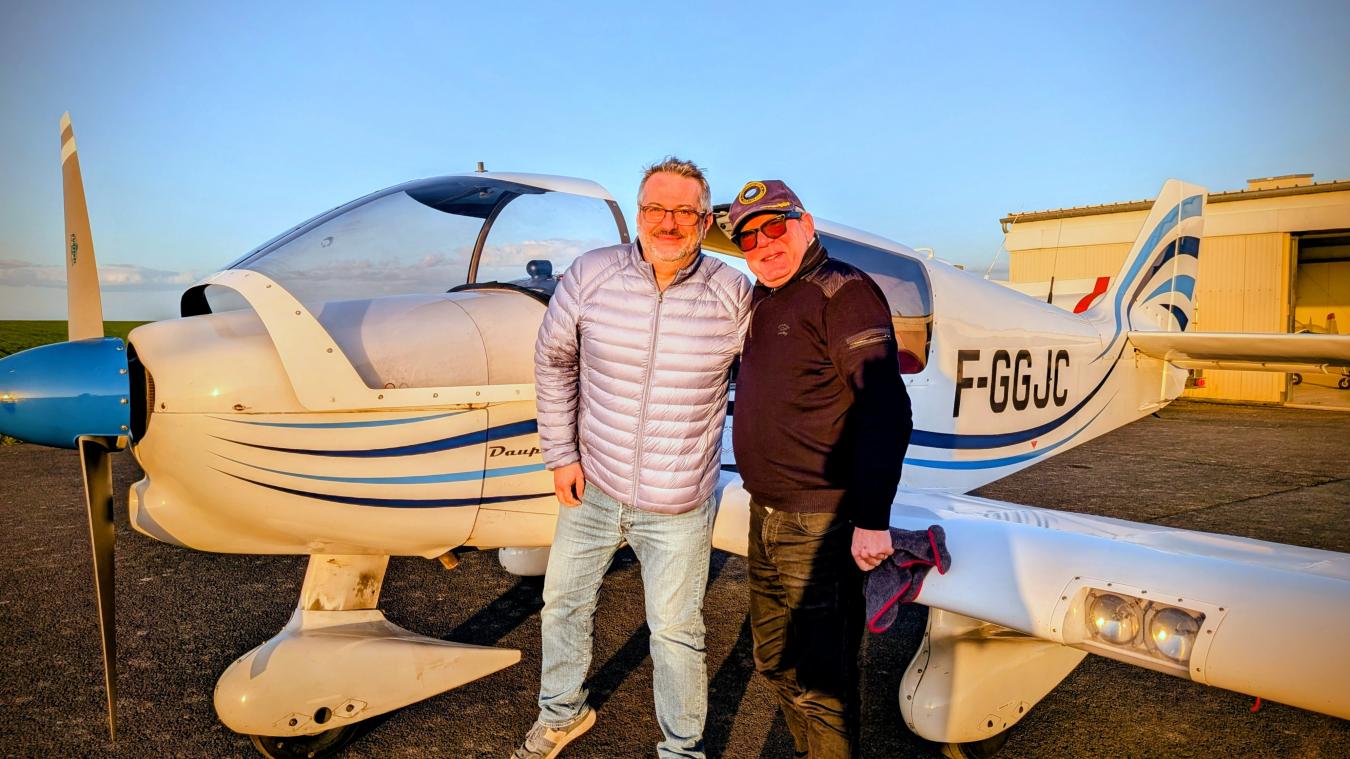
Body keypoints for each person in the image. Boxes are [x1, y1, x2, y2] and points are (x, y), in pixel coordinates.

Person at [515, 157, 751, 759]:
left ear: (704, 221)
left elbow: (771, 380)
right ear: (639, 212)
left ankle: (682, 748)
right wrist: (561, 455)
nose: (668, 222)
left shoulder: (732, 293)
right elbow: (554, 363)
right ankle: (561, 714)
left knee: (676, 632)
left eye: (684, 212)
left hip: (678, 502)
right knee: (563, 604)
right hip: (593, 485)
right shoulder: (591, 273)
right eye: (656, 208)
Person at [729, 179, 912, 758]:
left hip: (819, 522)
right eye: (748, 237)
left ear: (805, 225)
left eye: (774, 226)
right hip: (765, 513)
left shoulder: (843, 292)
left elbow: (885, 408)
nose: (764, 243)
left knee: (822, 684)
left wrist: (872, 519)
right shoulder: (764, 298)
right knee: (773, 662)